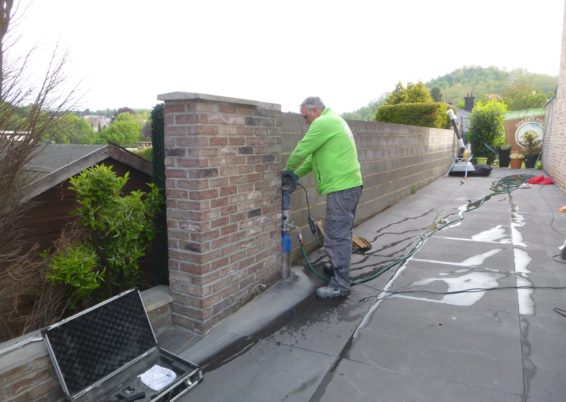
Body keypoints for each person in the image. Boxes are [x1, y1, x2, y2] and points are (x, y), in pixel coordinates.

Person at [284, 97, 363, 299]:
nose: (305, 121)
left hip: (342, 188)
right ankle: (339, 269)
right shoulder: (333, 121)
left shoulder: (323, 123)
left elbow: (303, 149)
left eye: (305, 116)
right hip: (348, 186)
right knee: (341, 233)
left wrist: (286, 171)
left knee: (336, 237)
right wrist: (296, 175)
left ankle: (341, 285)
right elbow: (312, 159)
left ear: (315, 111)